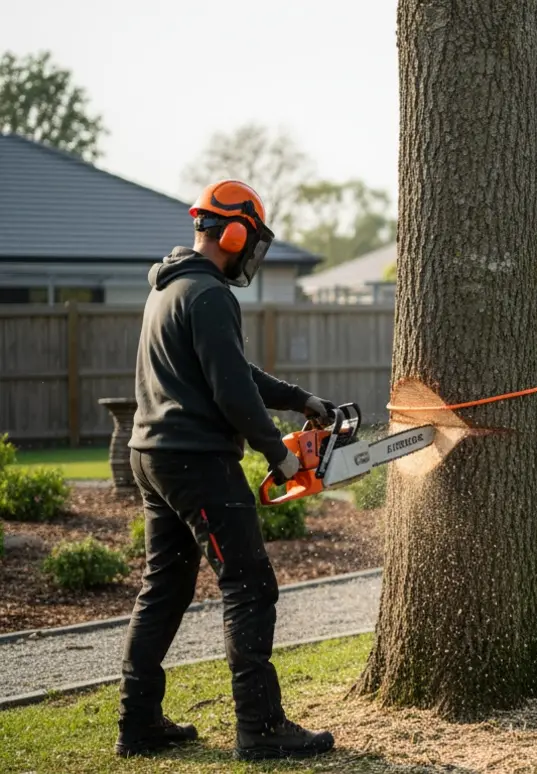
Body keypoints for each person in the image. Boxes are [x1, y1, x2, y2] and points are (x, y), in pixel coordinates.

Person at [116, 180, 336, 760]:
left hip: (154, 455)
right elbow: (232, 391)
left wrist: (300, 399)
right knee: (249, 582)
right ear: (234, 233)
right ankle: (261, 728)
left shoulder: (170, 287)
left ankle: (137, 723)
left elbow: (233, 370)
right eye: (249, 241)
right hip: (197, 460)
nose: (249, 254)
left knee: (164, 587)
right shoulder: (210, 295)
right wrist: (280, 455)